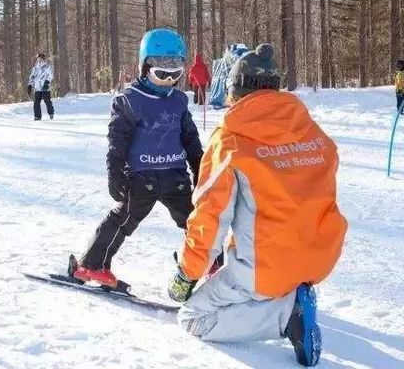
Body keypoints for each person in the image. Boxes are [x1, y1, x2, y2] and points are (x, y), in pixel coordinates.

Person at [167, 44, 347, 367]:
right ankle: (289, 294)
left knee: (192, 315)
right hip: (320, 258)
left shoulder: (230, 140)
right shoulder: (310, 130)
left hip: (266, 269)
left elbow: (209, 219)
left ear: (236, 91)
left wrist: (186, 274)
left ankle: (284, 316)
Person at [72, 28, 204, 287]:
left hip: (176, 177)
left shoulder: (178, 100)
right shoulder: (129, 100)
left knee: (199, 221)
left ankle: (212, 265)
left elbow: (190, 138)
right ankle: (92, 265)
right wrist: (115, 171)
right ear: (145, 66)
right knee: (121, 220)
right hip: (142, 178)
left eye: (175, 68)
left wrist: (200, 167)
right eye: (161, 69)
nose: (169, 76)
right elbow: (117, 140)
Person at [28, 53, 55, 120]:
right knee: (36, 102)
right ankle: (37, 116)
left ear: (43, 59)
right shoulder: (35, 68)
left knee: (47, 101)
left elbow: (50, 75)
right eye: (38, 58)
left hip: (45, 87)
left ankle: (51, 113)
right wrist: (30, 85)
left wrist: (47, 82)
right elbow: (32, 77)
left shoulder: (47, 67)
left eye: (40, 58)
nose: (39, 60)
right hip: (37, 88)